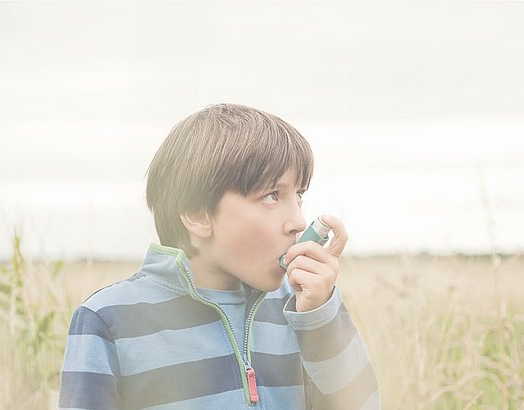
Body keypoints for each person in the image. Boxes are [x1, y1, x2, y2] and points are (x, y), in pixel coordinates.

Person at [58, 103, 380, 409]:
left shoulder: (300, 310)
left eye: (299, 196)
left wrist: (321, 319)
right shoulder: (109, 319)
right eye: (271, 196)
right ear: (198, 214)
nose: (297, 221)